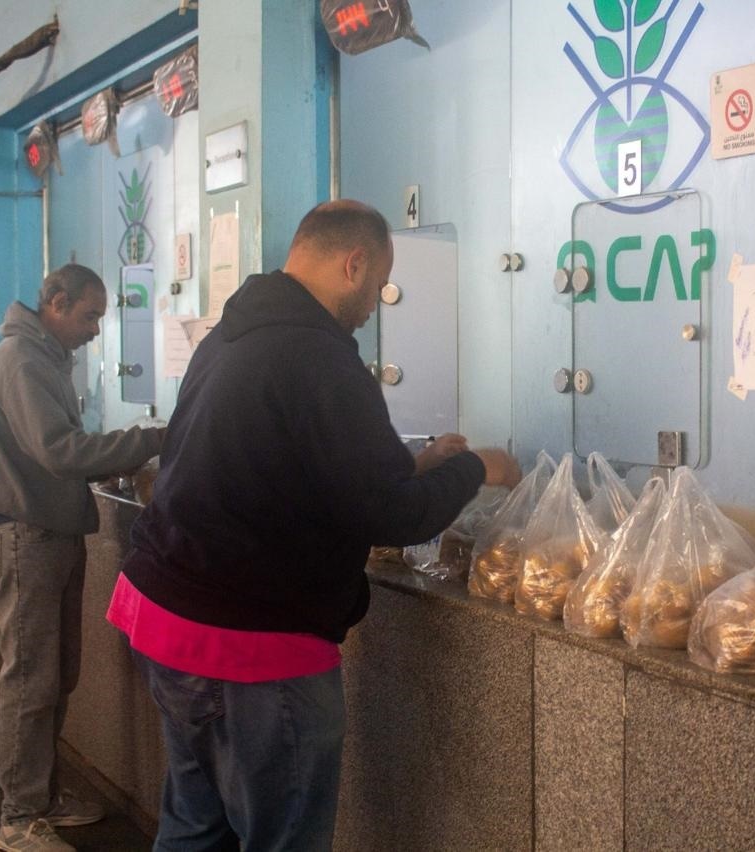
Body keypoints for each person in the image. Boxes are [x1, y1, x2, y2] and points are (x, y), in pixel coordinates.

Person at [107, 199, 521, 851]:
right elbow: (393, 516)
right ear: (353, 264)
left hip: (164, 618)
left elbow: (298, 465)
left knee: (194, 827)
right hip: (252, 646)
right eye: (378, 286)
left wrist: (417, 465)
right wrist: (478, 468)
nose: (375, 306)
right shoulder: (321, 357)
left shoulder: (230, 335)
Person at [0, 263, 167, 852]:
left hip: (48, 535)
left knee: (55, 677)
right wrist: (152, 438)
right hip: (22, 538)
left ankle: (42, 796)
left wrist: (120, 457)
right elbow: (60, 451)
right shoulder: (22, 361)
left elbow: (55, 454)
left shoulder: (47, 360)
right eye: (90, 316)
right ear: (55, 302)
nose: (96, 329)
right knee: (31, 681)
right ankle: (18, 821)